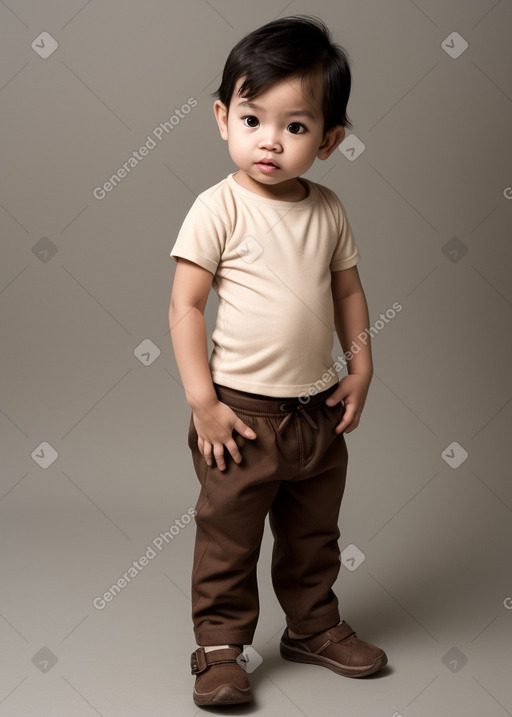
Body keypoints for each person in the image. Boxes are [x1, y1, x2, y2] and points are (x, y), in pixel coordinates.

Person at [168, 15, 388, 708]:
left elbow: (348, 292)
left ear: (328, 142)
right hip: (240, 411)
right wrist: (203, 399)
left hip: (316, 407)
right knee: (229, 535)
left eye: (295, 126)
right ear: (222, 116)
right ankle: (219, 649)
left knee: (314, 531)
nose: (270, 139)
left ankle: (313, 625)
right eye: (253, 116)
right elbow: (185, 307)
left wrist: (361, 367)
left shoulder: (329, 210)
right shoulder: (218, 207)